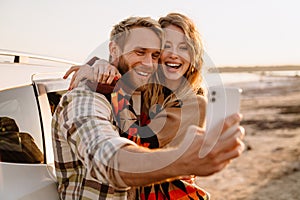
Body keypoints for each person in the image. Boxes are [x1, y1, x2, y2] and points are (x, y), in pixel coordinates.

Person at [53, 16, 245, 200]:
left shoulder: (188, 104)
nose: (149, 62)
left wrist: (100, 68)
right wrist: (97, 66)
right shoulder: (95, 98)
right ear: (113, 49)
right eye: (141, 51)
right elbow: (106, 158)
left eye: (154, 54)